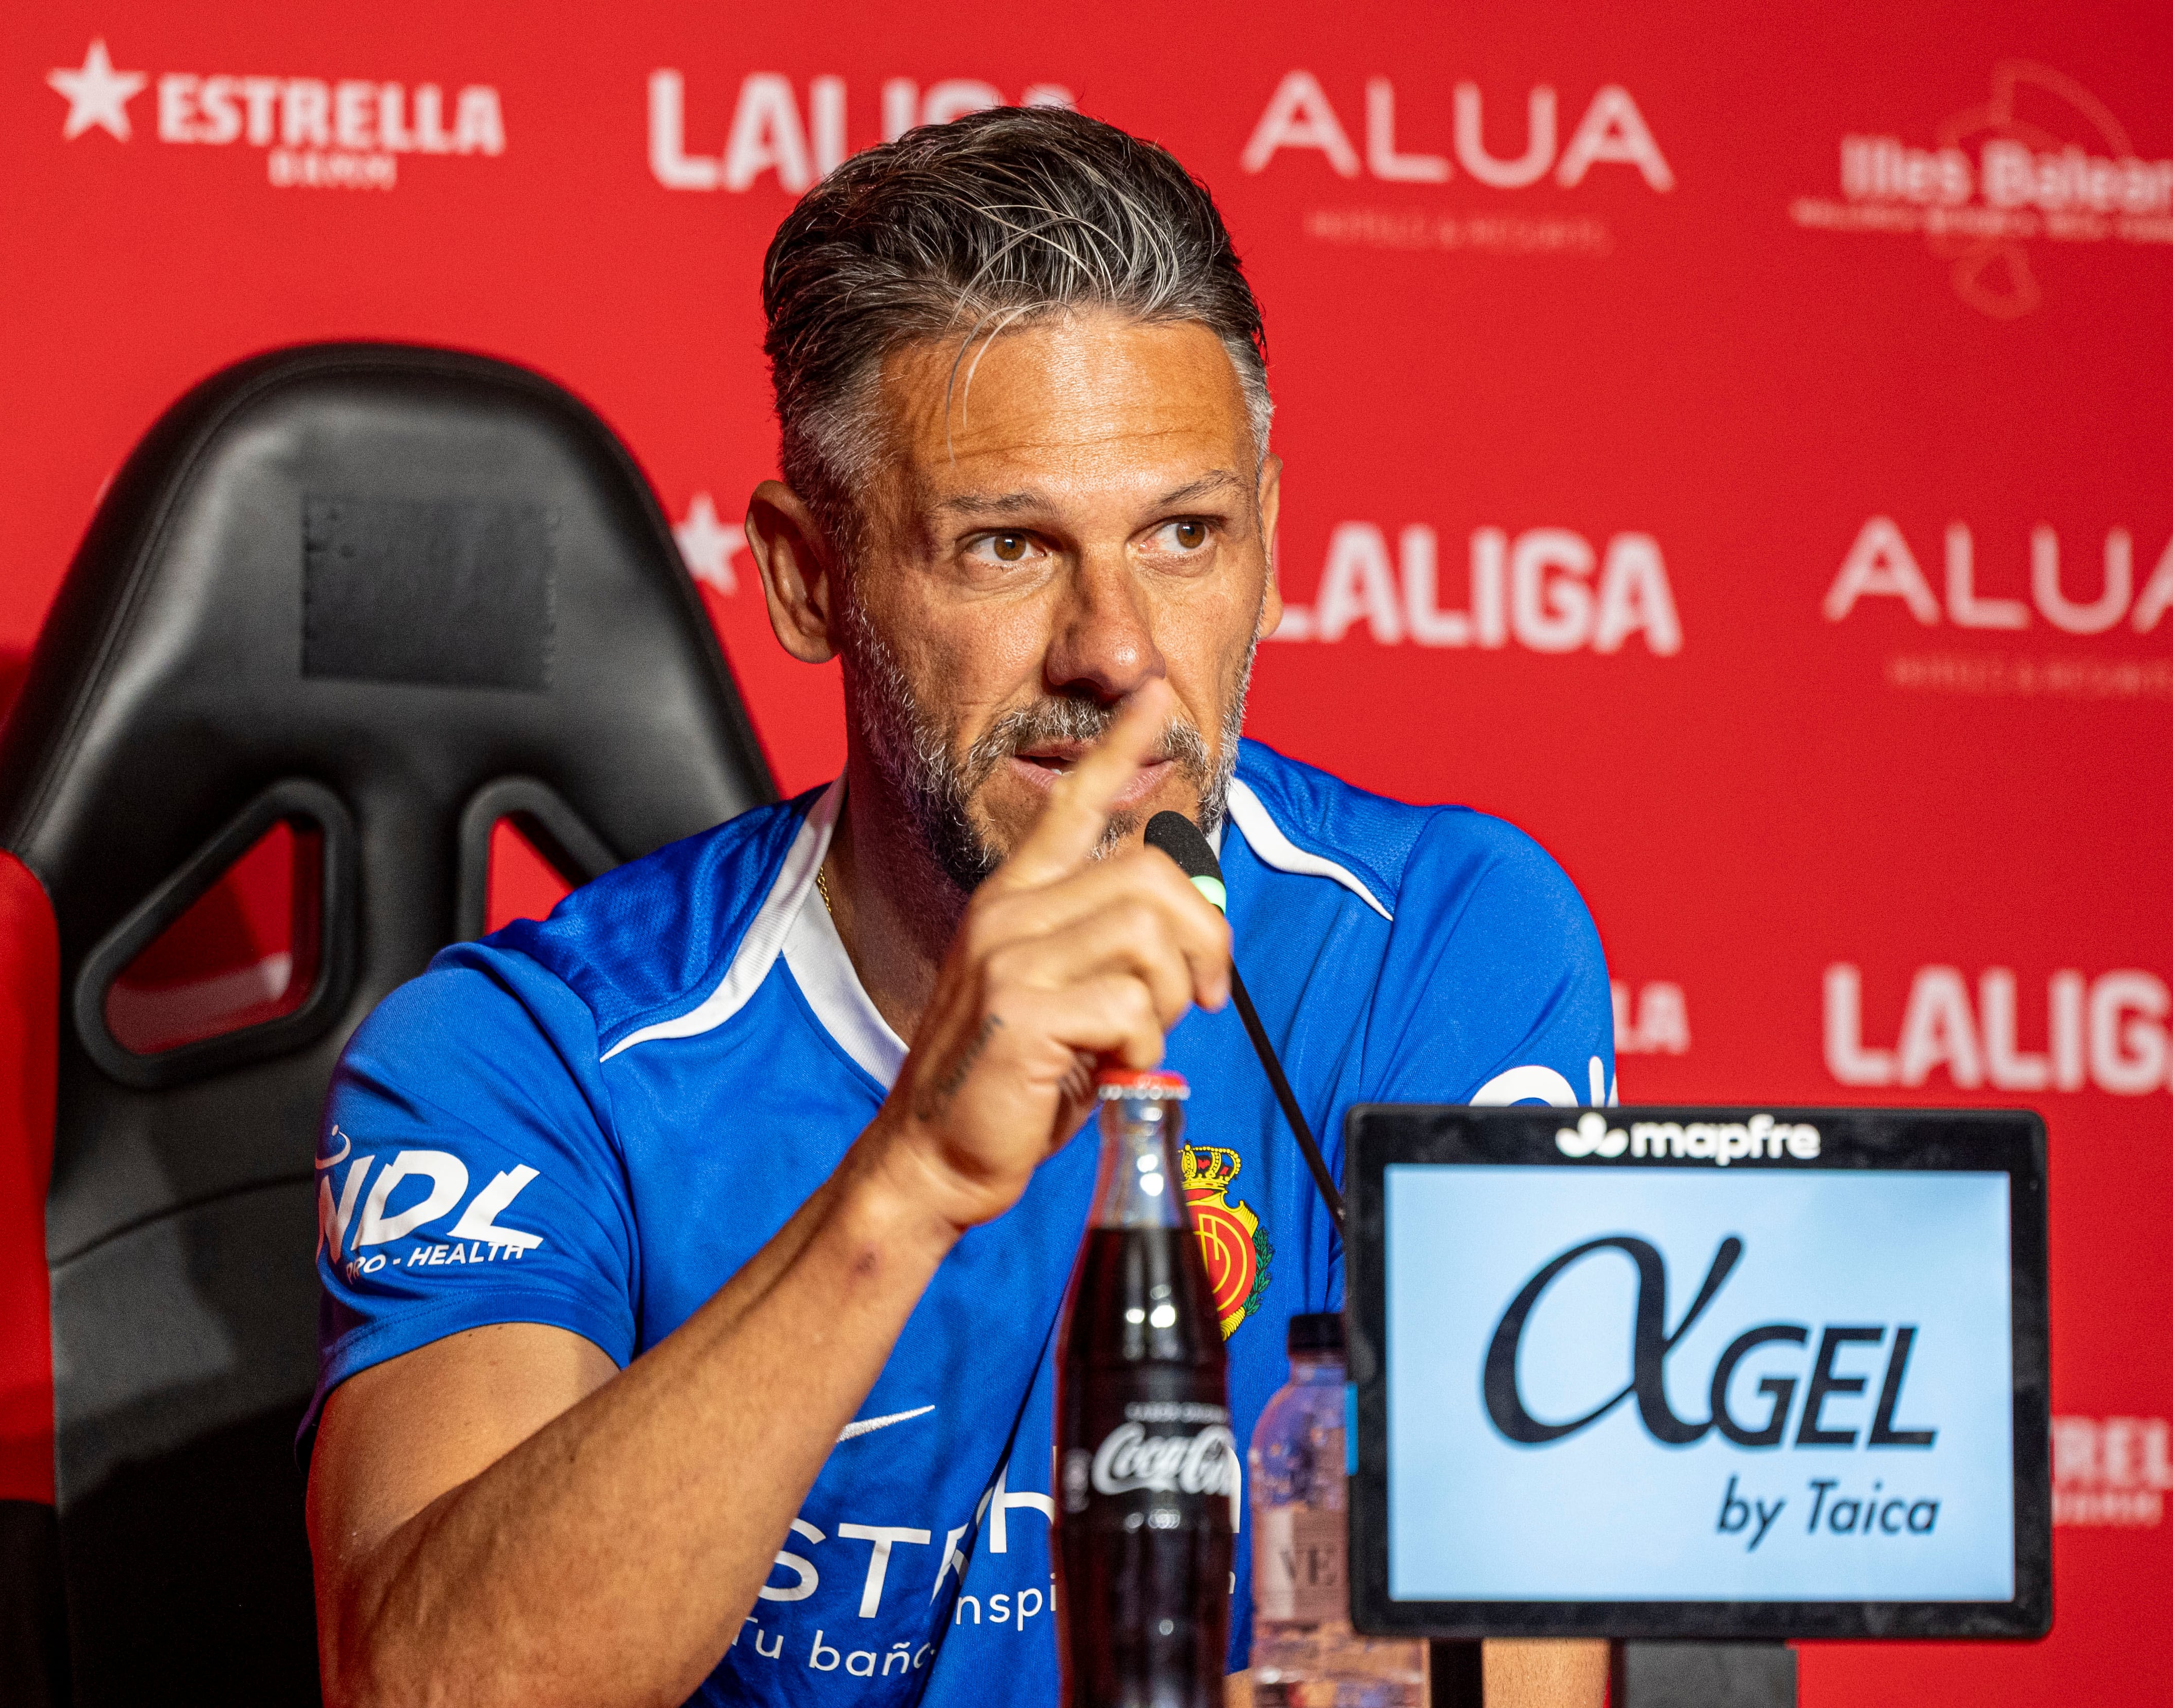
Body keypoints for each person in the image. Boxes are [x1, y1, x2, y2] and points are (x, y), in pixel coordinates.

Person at [303, 106, 1612, 1708]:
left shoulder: (1444, 948)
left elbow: (1530, 1670)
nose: (1117, 652)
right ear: (808, 575)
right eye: (1007, 547)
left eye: (1185, 536)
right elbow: (428, 1690)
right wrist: (908, 1178)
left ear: (1269, 538)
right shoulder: (521, 1058)